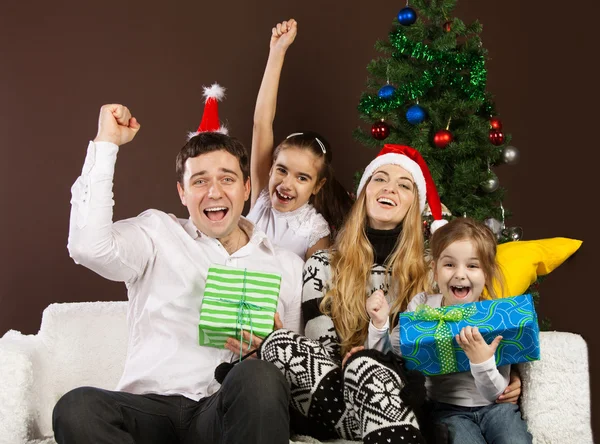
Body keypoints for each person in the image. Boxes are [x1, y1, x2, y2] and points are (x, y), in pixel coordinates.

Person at [53, 99, 305, 444]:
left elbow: (298, 377)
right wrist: (106, 144)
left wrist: (276, 348)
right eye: (199, 181)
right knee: (77, 407)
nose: (214, 192)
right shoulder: (156, 234)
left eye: (227, 179)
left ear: (246, 188)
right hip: (150, 412)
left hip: (225, 414)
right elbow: (87, 247)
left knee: (260, 376)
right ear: (182, 192)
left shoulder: (287, 266)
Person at [259, 144, 454, 444]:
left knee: (367, 364)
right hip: (335, 396)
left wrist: (506, 376)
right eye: (380, 179)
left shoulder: (433, 272)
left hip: (404, 397)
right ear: (364, 192)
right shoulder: (322, 264)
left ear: (415, 204)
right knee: (279, 344)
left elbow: (438, 357)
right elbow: (322, 353)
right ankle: (387, 430)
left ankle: (388, 428)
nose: (390, 188)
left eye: (404, 185)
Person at [382, 217, 532, 444]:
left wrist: (482, 362)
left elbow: (497, 394)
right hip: (446, 411)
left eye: (472, 265)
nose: (460, 274)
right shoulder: (423, 305)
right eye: (450, 264)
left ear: (487, 273)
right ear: (435, 270)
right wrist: (381, 325)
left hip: (495, 409)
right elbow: (394, 352)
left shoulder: (494, 317)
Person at [247, 19, 353, 260]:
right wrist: (277, 52)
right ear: (271, 168)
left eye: (302, 177)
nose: (286, 183)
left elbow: (312, 293)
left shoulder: (315, 232)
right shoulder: (262, 198)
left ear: (317, 186)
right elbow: (261, 123)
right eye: (282, 170)